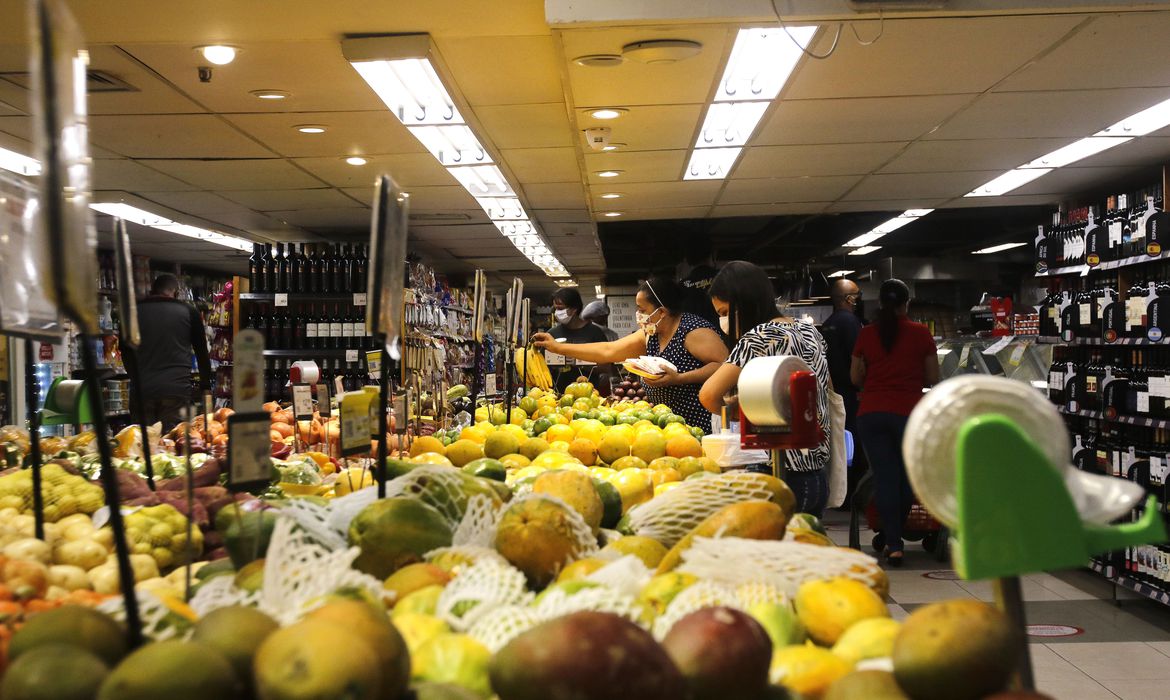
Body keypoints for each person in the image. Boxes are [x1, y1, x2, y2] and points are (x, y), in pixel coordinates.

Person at [699, 261, 833, 517]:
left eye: (725, 311)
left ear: (744, 302)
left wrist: (741, 411)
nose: (723, 320)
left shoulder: (759, 337)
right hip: (816, 476)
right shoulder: (810, 332)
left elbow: (708, 395)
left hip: (777, 473)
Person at [534, 276, 727, 432]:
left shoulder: (692, 330)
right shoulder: (651, 333)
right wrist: (558, 347)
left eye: (642, 309)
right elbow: (608, 351)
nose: (638, 314)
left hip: (697, 423)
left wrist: (679, 378)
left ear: (661, 312)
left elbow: (724, 364)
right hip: (666, 425)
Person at [851, 279, 939, 567]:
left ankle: (893, 542)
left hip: (872, 414)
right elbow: (932, 378)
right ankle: (895, 536)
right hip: (909, 415)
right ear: (906, 304)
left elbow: (855, 378)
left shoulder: (866, 334)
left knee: (885, 477)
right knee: (907, 478)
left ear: (880, 304)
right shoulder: (921, 333)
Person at [126, 273, 211, 430]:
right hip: (176, 390)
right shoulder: (188, 312)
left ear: (152, 290)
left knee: (141, 442)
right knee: (172, 441)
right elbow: (202, 352)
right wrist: (205, 385)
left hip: (143, 390)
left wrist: (136, 377)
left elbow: (125, 350)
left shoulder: (133, 312)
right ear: (176, 293)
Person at [819, 278, 866, 509]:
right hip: (851, 395)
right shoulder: (850, 322)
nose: (859, 300)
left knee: (841, 446)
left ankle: (842, 495)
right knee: (855, 448)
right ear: (848, 299)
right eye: (857, 295)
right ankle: (854, 497)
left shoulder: (828, 323)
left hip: (833, 393)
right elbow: (860, 360)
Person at [546, 288, 613, 393]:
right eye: (555, 309)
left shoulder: (594, 333)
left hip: (590, 395)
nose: (557, 313)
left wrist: (580, 361)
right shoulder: (551, 334)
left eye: (561, 309)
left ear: (574, 309)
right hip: (557, 394)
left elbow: (606, 367)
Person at [680, 235, 722, 329]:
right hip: (723, 338)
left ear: (687, 259)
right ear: (714, 253)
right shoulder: (725, 277)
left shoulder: (681, 287)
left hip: (694, 338)